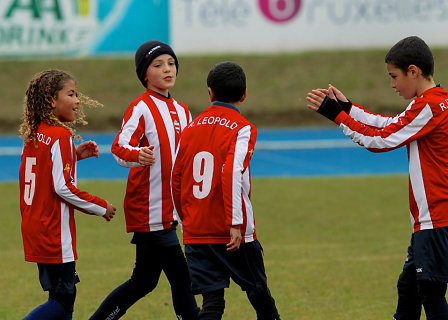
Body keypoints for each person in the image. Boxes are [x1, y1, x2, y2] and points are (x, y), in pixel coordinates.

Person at [306, 36, 448, 320]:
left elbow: (382, 141)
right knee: (409, 287)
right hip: (431, 218)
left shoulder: (429, 106)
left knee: (430, 293)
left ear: (413, 71)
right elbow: (389, 124)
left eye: (394, 77)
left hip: (436, 217)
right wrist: (348, 108)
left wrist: (338, 117)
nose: (393, 85)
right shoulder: (432, 101)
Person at [89, 40, 199, 320]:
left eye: (171, 63)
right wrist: (139, 155)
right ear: (144, 73)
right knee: (182, 277)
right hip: (148, 210)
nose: (167, 69)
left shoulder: (184, 111)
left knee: (144, 282)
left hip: (171, 211)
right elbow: (118, 148)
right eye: (158, 65)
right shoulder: (141, 107)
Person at [172, 61, 282, 320]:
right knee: (259, 293)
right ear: (244, 95)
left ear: (210, 92)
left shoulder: (189, 128)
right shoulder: (243, 127)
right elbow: (231, 171)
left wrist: (184, 221)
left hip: (196, 229)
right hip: (232, 231)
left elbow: (176, 177)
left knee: (212, 302)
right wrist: (235, 222)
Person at [19, 69, 117, 320]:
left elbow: (44, 172)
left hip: (35, 226)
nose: (78, 100)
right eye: (71, 94)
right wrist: (100, 206)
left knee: (63, 298)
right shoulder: (60, 135)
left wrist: (74, 156)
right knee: (62, 300)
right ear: (52, 100)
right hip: (53, 231)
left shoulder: (34, 132)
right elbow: (62, 187)